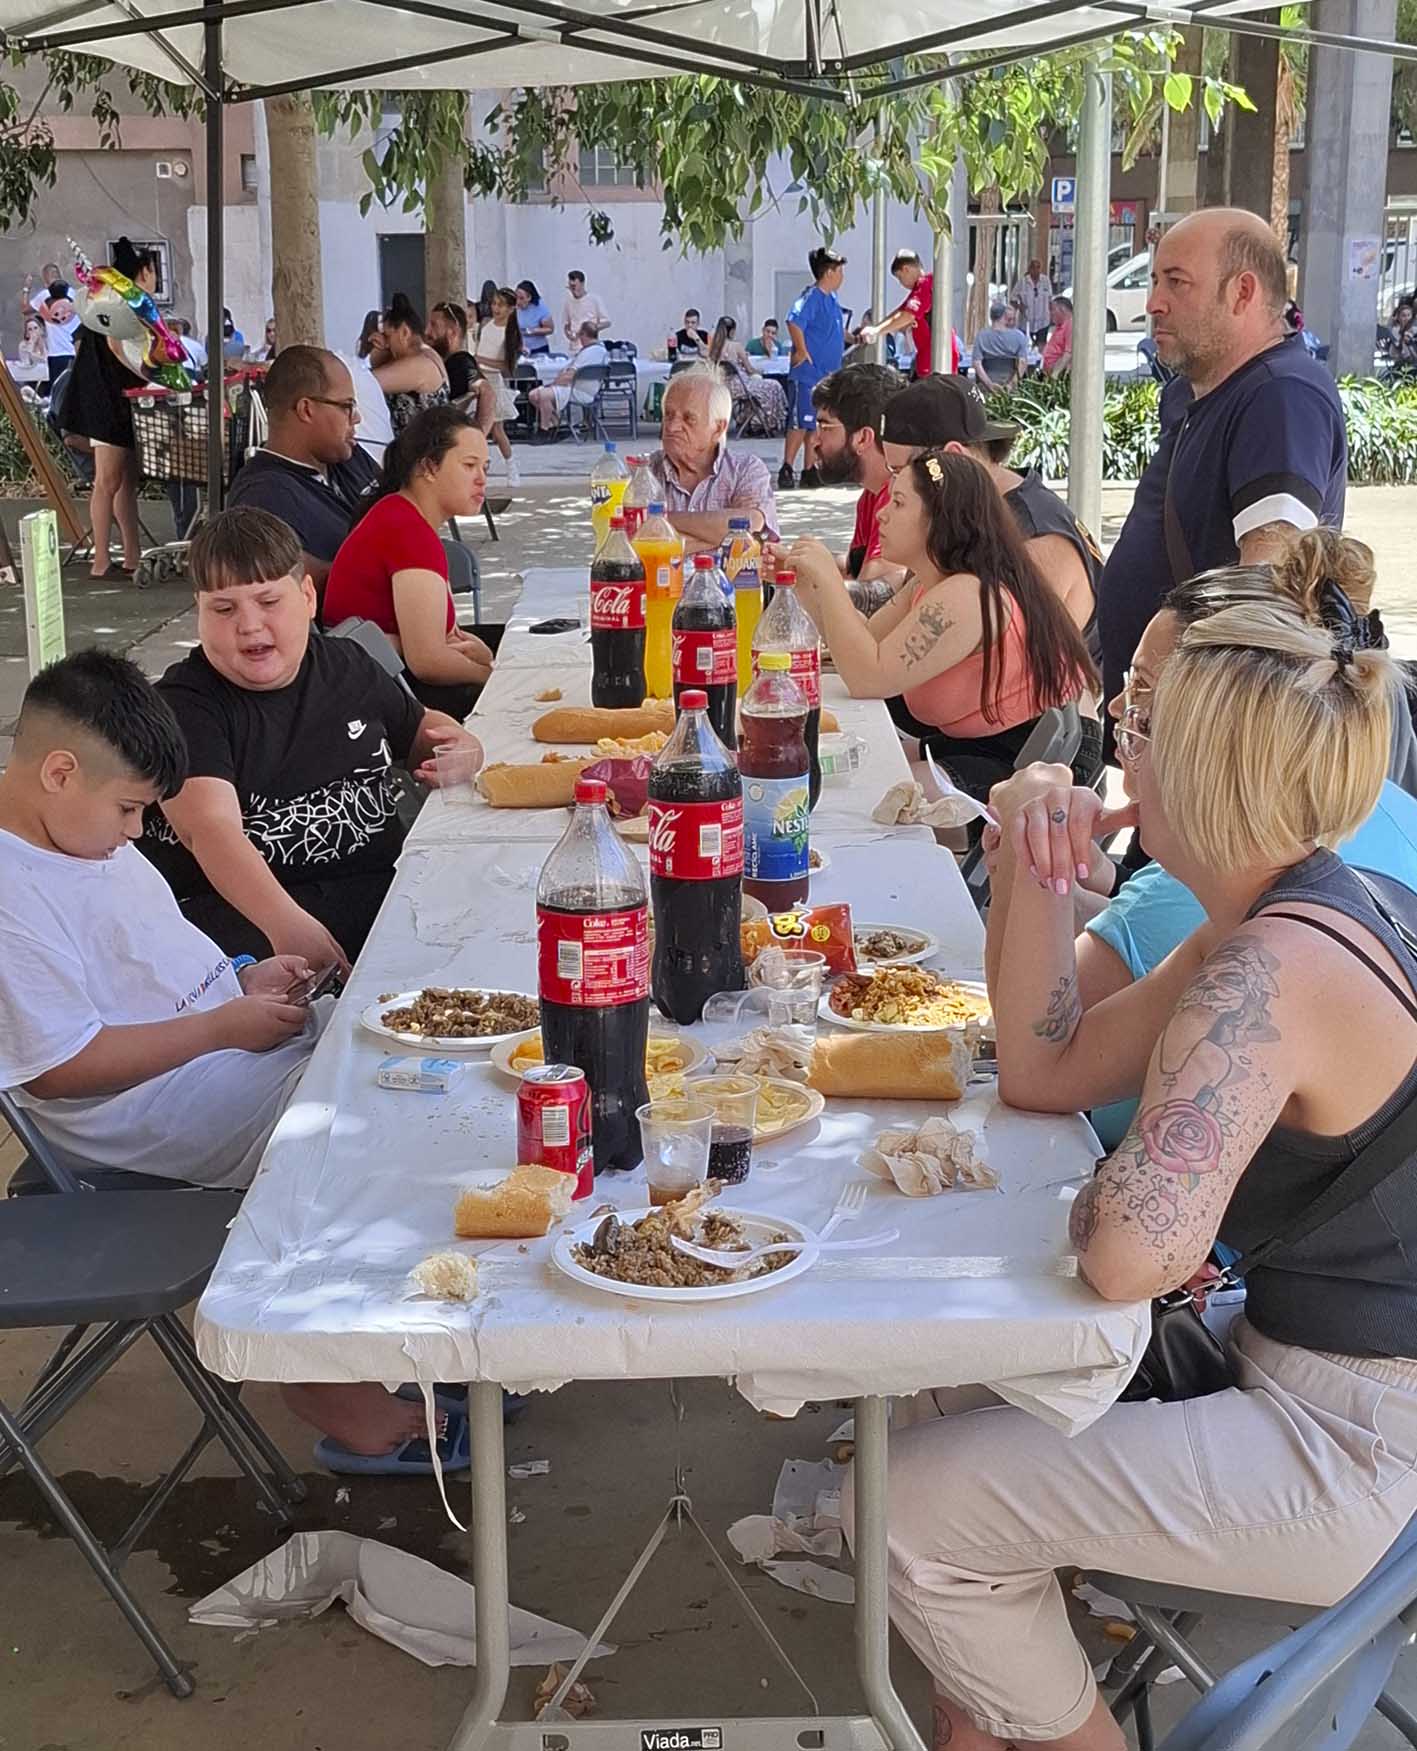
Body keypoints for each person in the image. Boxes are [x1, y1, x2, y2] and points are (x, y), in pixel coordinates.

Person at [882, 593, 1417, 1751]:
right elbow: (1043, 1067)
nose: (1119, 752)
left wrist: (1110, 1194)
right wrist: (1031, 862)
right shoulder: (1286, 913)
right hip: (1310, 1365)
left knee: (908, 1509)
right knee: (953, 1384)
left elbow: (1129, 1255)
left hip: (1368, 1442)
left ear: (1209, 770)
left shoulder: (1267, 966)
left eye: (1140, 726)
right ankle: (984, 1717)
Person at [982, 526, 1417, 1152]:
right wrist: (1035, 854)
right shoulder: (1284, 876)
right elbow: (1037, 1074)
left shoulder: (1250, 940)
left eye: (1142, 697)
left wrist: (1037, 851)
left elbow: (1023, 1059)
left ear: (1209, 743)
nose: (1117, 713)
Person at [0, 648, 318, 1187]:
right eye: (129, 808)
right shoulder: (14, 894)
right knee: (358, 1102)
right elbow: (58, 1069)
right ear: (60, 773)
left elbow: (146, 957)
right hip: (151, 1105)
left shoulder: (83, 831)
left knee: (388, 1035)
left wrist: (240, 977)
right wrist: (218, 1028)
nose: (137, 831)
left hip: (220, 1050)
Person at [143, 507, 480, 968]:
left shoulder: (348, 665)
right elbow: (209, 830)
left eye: (268, 601)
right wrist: (286, 925)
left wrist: (463, 746)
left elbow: (421, 727)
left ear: (306, 596)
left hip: (379, 893)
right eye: (223, 608)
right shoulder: (184, 705)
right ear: (198, 612)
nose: (249, 625)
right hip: (247, 921)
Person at [1096, 207, 1347, 714]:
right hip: (1163, 724)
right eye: (1155, 281)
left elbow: (1268, 585)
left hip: (1205, 731)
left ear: (1242, 292)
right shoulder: (1217, 392)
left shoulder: (1280, 395)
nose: (1154, 303)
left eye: (1176, 282)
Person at [775, 448, 1094, 799]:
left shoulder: (968, 593)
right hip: (982, 740)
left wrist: (831, 582)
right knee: (859, 769)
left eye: (898, 503)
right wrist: (809, 588)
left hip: (1037, 756)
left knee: (872, 794)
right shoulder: (931, 581)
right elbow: (863, 641)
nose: (881, 514)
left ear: (939, 518)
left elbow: (869, 678)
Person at [881, 375, 1103, 636]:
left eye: (899, 471)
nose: (891, 487)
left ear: (951, 456)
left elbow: (1004, 652)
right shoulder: (973, 515)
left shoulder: (1034, 539)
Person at [323, 405, 497, 716]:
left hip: (376, 678)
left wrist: (482, 656)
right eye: (469, 465)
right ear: (429, 467)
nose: (482, 479)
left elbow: (446, 637)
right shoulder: (407, 530)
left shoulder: (400, 515)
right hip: (383, 694)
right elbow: (428, 660)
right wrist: (490, 675)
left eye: (485, 467)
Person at [226, 346, 380, 601]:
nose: (357, 418)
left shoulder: (346, 456)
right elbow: (289, 579)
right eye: (347, 406)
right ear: (306, 409)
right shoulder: (262, 496)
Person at [62, 236, 154, 580]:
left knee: (124, 481)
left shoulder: (109, 302)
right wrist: (149, 375)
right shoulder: (116, 305)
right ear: (142, 273)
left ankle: (132, 555)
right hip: (107, 402)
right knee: (108, 481)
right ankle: (101, 559)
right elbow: (118, 348)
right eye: (151, 272)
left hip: (117, 400)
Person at [650, 364, 780, 553]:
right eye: (668, 415)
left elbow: (751, 527)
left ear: (718, 428)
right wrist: (722, 538)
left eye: (688, 418)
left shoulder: (745, 470)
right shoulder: (644, 473)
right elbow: (629, 543)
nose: (672, 427)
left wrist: (660, 519)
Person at [808, 363, 907, 602]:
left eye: (824, 427)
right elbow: (855, 570)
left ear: (862, 438)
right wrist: (797, 564)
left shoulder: (897, 496)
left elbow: (866, 593)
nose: (814, 441)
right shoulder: (872, 494)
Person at [779, 245, 848, 492]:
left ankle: (809, 469)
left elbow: (832, 329)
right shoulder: (812, 297)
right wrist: (800, 349)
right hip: (808, 373)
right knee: (800, 422)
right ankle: (787, 467)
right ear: (829, 272)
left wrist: (852, 337)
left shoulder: (832, 299)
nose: (842, 276)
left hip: (826, 375)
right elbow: (794, 321)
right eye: (839, 271)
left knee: (815, 425)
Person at [857, 247, 960, 381]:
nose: (901, 283)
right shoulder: (920, 289)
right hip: (929, 359)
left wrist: (877, 331)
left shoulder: (925, 284)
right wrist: (877, 328)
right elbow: (900, 313)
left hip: (935, 361)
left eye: (900, 278)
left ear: (906, 269)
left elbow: (908, 316)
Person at [367, 292, 448, 434]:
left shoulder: (420, 365)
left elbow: (367, 383)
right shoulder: (426, 355)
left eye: (388, 336)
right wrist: (382, 348)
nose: (387, 342)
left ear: (404, 332)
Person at [471, 285, 523, 488]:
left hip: (492, 379)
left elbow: (506, 367)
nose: (496, 308)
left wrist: (481, 359)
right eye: (494, 304)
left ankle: (511, 467)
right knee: (476, 428)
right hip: (477, 377)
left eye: (501, 305)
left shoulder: (511, 333)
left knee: (496, 430)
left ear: (511, 308)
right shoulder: (485, 323)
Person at [709, 315, 788, 435]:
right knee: (774, 386)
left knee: (763, 390)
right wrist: (760, 372)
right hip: (741, 386)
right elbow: (749, 369)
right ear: (732, 331)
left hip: (723, 386)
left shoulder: (714, 347)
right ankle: (767, 422)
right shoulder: (736, 346)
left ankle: (749, 420)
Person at [528, 322, 608, 433]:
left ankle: (544, 429)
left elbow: (569, 376)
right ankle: (555, 422)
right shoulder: (600, 350)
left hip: (579, 390)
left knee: (543, 395)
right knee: (533, 395)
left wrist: (552, 385)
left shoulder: (590, 352)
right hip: (580, 388)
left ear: (583, 334)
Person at [426, 298, 480, 400]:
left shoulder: (461, 363)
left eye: (434, 325)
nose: (427, 331)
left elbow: (484, 389)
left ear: (453, 332)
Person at [971, 300, 1030, 392]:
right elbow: (1022, 362)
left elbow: (976, 363)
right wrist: (1012, 384)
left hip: (986, 385)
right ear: (1005, 316)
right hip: (1010, 381)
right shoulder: (1019, 336)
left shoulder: (981, 336)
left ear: (991, 317)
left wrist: (989, 384)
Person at [561, 269, 611, 349]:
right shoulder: (568, 302)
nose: (573, 290)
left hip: (591, 345)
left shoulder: (594, 300)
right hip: (574, 347)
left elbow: (607, 322)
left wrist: (590, 329)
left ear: (582, 284)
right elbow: (566, 324)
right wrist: (568, 334)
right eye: (570, 287)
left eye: (574, 286)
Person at [1010, 256, 1054, 344]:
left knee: (1041, 345)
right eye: (1033, 267)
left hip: (1043, 321)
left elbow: (1050, 299)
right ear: (1029, 269)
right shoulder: (1022, 282)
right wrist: (1019, 306)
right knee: (1024, 345)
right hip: (1026, 321)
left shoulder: (1045, 281)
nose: (1036, 270)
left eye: (1038, 267)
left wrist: (1052, 316)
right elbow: (1012, 299)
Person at [515, 279, 554, 354]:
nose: (518, 301)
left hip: (538, 348)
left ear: (529, 297)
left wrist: (533, 331)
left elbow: (550, 329)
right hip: (520, 348)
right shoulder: (514, 307)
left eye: (521, 298)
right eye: (516, 297)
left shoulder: (540, 307)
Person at [1041, 294, 1072, 376]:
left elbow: (1068, 353)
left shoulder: (1070, 325)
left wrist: (1055, 373)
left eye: (1052, 310)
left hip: (1058, 373)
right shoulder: (1060, 326)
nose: (1050, 314)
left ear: (1062, 310)